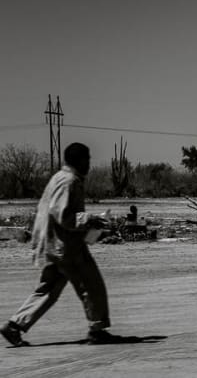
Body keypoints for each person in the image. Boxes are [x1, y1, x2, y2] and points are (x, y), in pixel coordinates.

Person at [1, 143, 120, 347]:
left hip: (53, 245)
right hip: (66, 247)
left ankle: (15, 326)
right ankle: (97, 329)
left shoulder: (59, 177)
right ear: (80, 160)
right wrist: (89, 220)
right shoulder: (69, 181)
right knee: (91, 286)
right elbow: (62, 215)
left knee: (48, 289)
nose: (89, 164)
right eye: (87, 159)